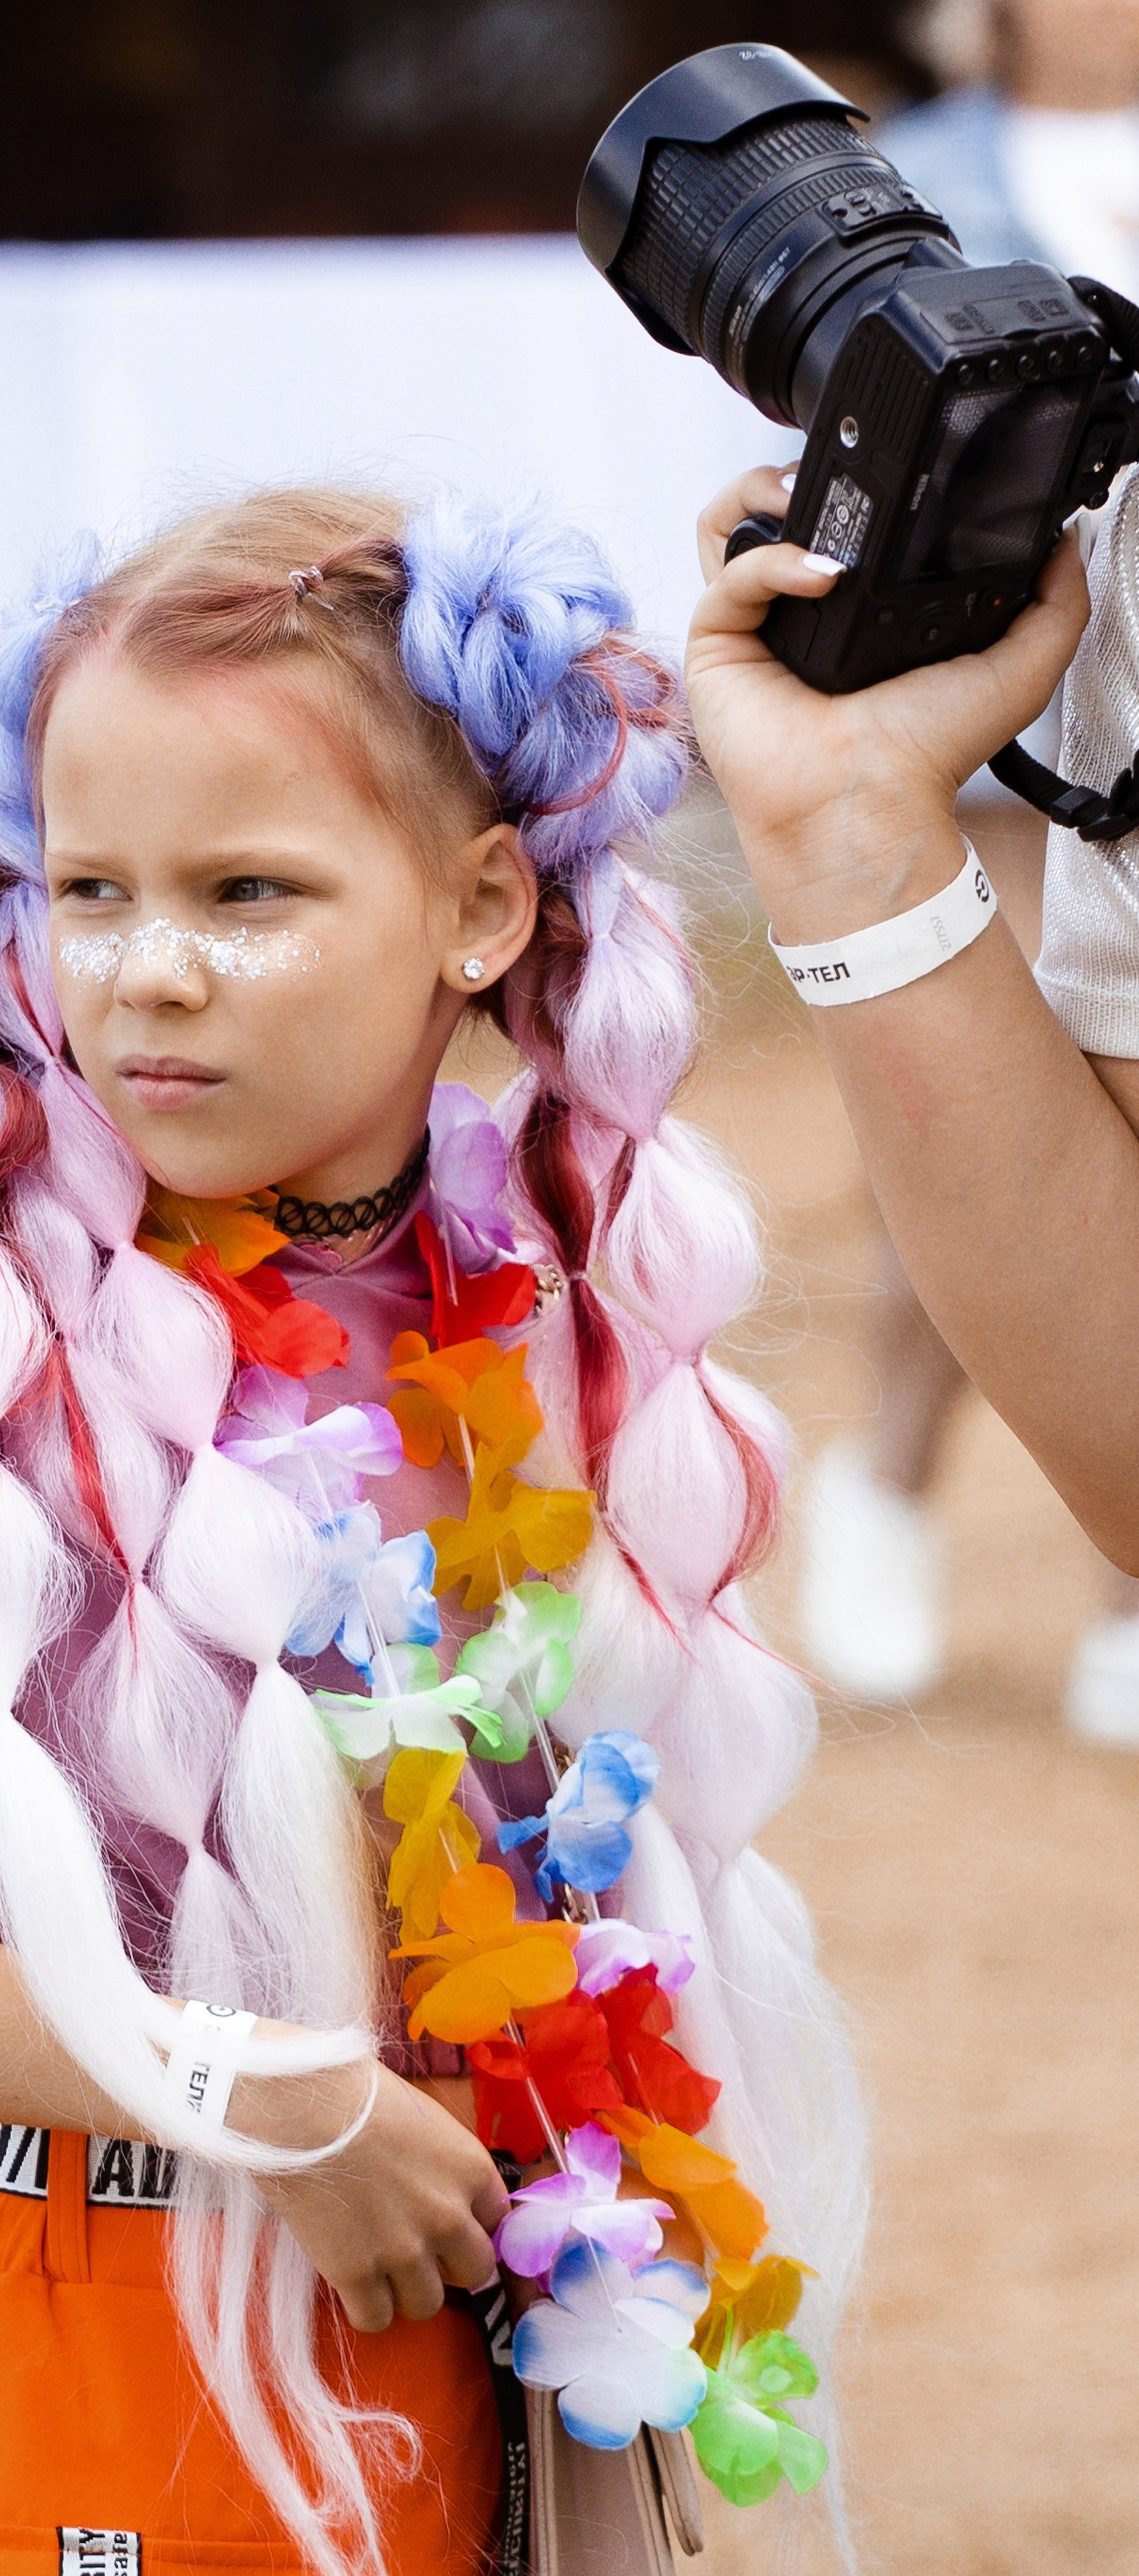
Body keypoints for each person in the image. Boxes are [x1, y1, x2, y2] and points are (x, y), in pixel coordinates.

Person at [0, 489, 864, 2575]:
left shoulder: (560, 1315)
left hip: (493, 2372)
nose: (150, 969)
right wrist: (250, 2092)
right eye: (90, 887)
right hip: (99, 2359)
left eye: (246, 888)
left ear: (477, 905)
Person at [793, 0, 1139, 1733]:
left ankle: (1127, 1589)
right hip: (999, 717)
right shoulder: (899, 182)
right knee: (984, 1115)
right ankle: (888, 1480)